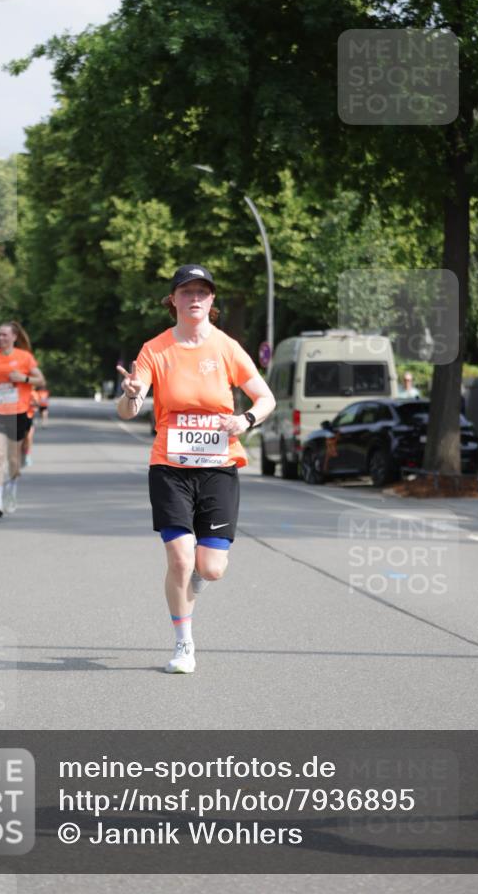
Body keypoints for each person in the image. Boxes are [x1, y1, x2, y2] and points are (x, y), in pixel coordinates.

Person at [117, 264, 276, 674]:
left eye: (202, 292)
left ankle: (195, 584)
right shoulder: (154, 349)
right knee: (181, 561)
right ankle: (184, 644)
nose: (194, 299)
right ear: (173, 299)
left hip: (218, 467)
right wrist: (132, 396)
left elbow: (265, 398)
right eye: (186, 292)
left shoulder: (227, 348)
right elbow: (129, 408)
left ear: (211, 301)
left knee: (211, 569)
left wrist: (245, 421)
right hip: (169, 466)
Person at [0, 321, 45, 518]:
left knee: (13, 459)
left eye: (4, 335)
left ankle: (12, 488)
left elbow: (41, 380)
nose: (0, 338)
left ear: (14, 337)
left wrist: (23, 378)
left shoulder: (25, 357)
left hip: (18, 411)